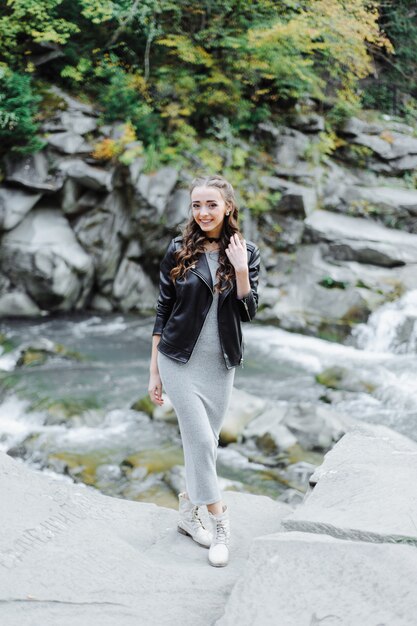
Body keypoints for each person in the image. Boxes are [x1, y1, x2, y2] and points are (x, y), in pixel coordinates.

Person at [148, 174, 260, 567]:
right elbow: (163, 311)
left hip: (220, 362)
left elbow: (249, 312)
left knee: (205, 444)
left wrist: (241, 269)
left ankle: (185, 513)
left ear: (227, 206)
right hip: (177, 358)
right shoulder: (178, 249)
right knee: (199, 441)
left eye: (211, 204)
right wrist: (154, 372)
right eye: (196, 205)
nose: (203, 212)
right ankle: (220, 521)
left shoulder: (247, 251)